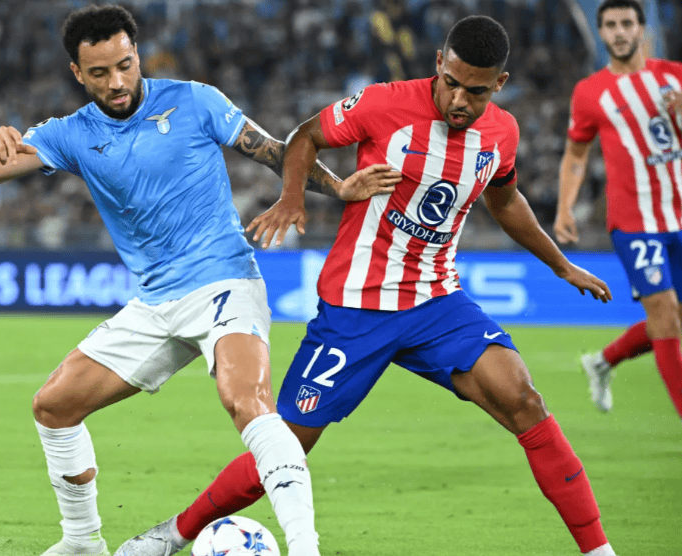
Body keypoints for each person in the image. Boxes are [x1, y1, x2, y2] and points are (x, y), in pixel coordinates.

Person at [117, 15, 618, 556]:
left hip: (436, 301)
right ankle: (175, 534)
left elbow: (505, 200)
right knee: (284, 448)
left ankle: (599, 551)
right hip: (354, 310)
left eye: (475, 92)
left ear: (500, 84)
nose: (458, 100)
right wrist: (292, 197)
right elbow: (305, 136)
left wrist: (560, 265)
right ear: (438, 64)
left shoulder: (503, 133)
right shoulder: (384, 104)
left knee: (525, 401)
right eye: (450, 83)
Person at [0, 5, 401, 556]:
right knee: (53, 406)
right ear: (77, 73)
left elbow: (273, 151)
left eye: (125, 65)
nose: (116, 82)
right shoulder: (71, 134)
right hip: (154, 304)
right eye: (99, 73)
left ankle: (305, 547)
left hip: (224, 283)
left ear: (137, 54)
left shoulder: (194, 100)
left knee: (247, 402)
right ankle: (82, 542)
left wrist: (337, 188)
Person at [554, 0, 682, 417]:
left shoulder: (675, 77)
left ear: (643, 29)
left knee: (672, 319)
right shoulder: (590, 92)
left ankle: (603, 361)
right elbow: (576, 155)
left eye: (627, 23)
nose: (620, 31)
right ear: (601, 33)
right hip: (634, 222)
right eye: (611, 25)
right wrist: (565, 207)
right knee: (664, 315)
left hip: (679, 215)